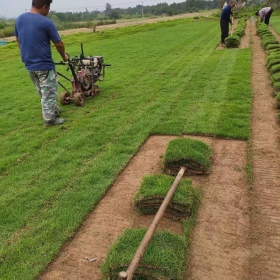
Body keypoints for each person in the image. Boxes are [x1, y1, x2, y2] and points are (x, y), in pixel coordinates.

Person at [14, 0, 69, 127]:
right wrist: (64, 56)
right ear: (44, 7)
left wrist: (23, 54)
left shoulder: (20, 19)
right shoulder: (47, 23)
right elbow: (59, 43)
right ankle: (50, 120)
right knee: (49, 92)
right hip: (44, 65)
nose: (48, 12)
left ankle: (53, 110)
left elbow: (18, 38)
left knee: (42, 90)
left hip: (29, 64)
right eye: (49, 9)